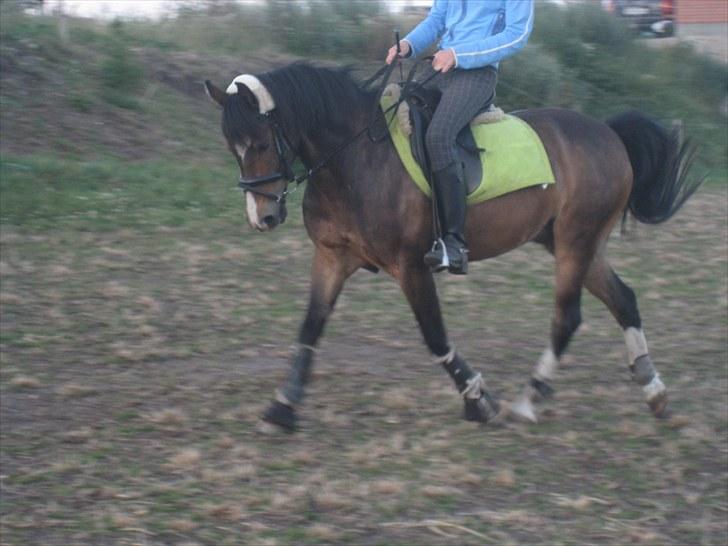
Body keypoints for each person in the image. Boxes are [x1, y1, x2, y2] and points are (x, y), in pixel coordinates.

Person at [386, 0, 534, 275]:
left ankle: (453, 244)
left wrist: (459, 54)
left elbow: (517, 34)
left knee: (439, 136)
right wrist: (408, 44)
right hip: (440, 68)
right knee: (394, 116)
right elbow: (437, 19)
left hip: (477, 73)